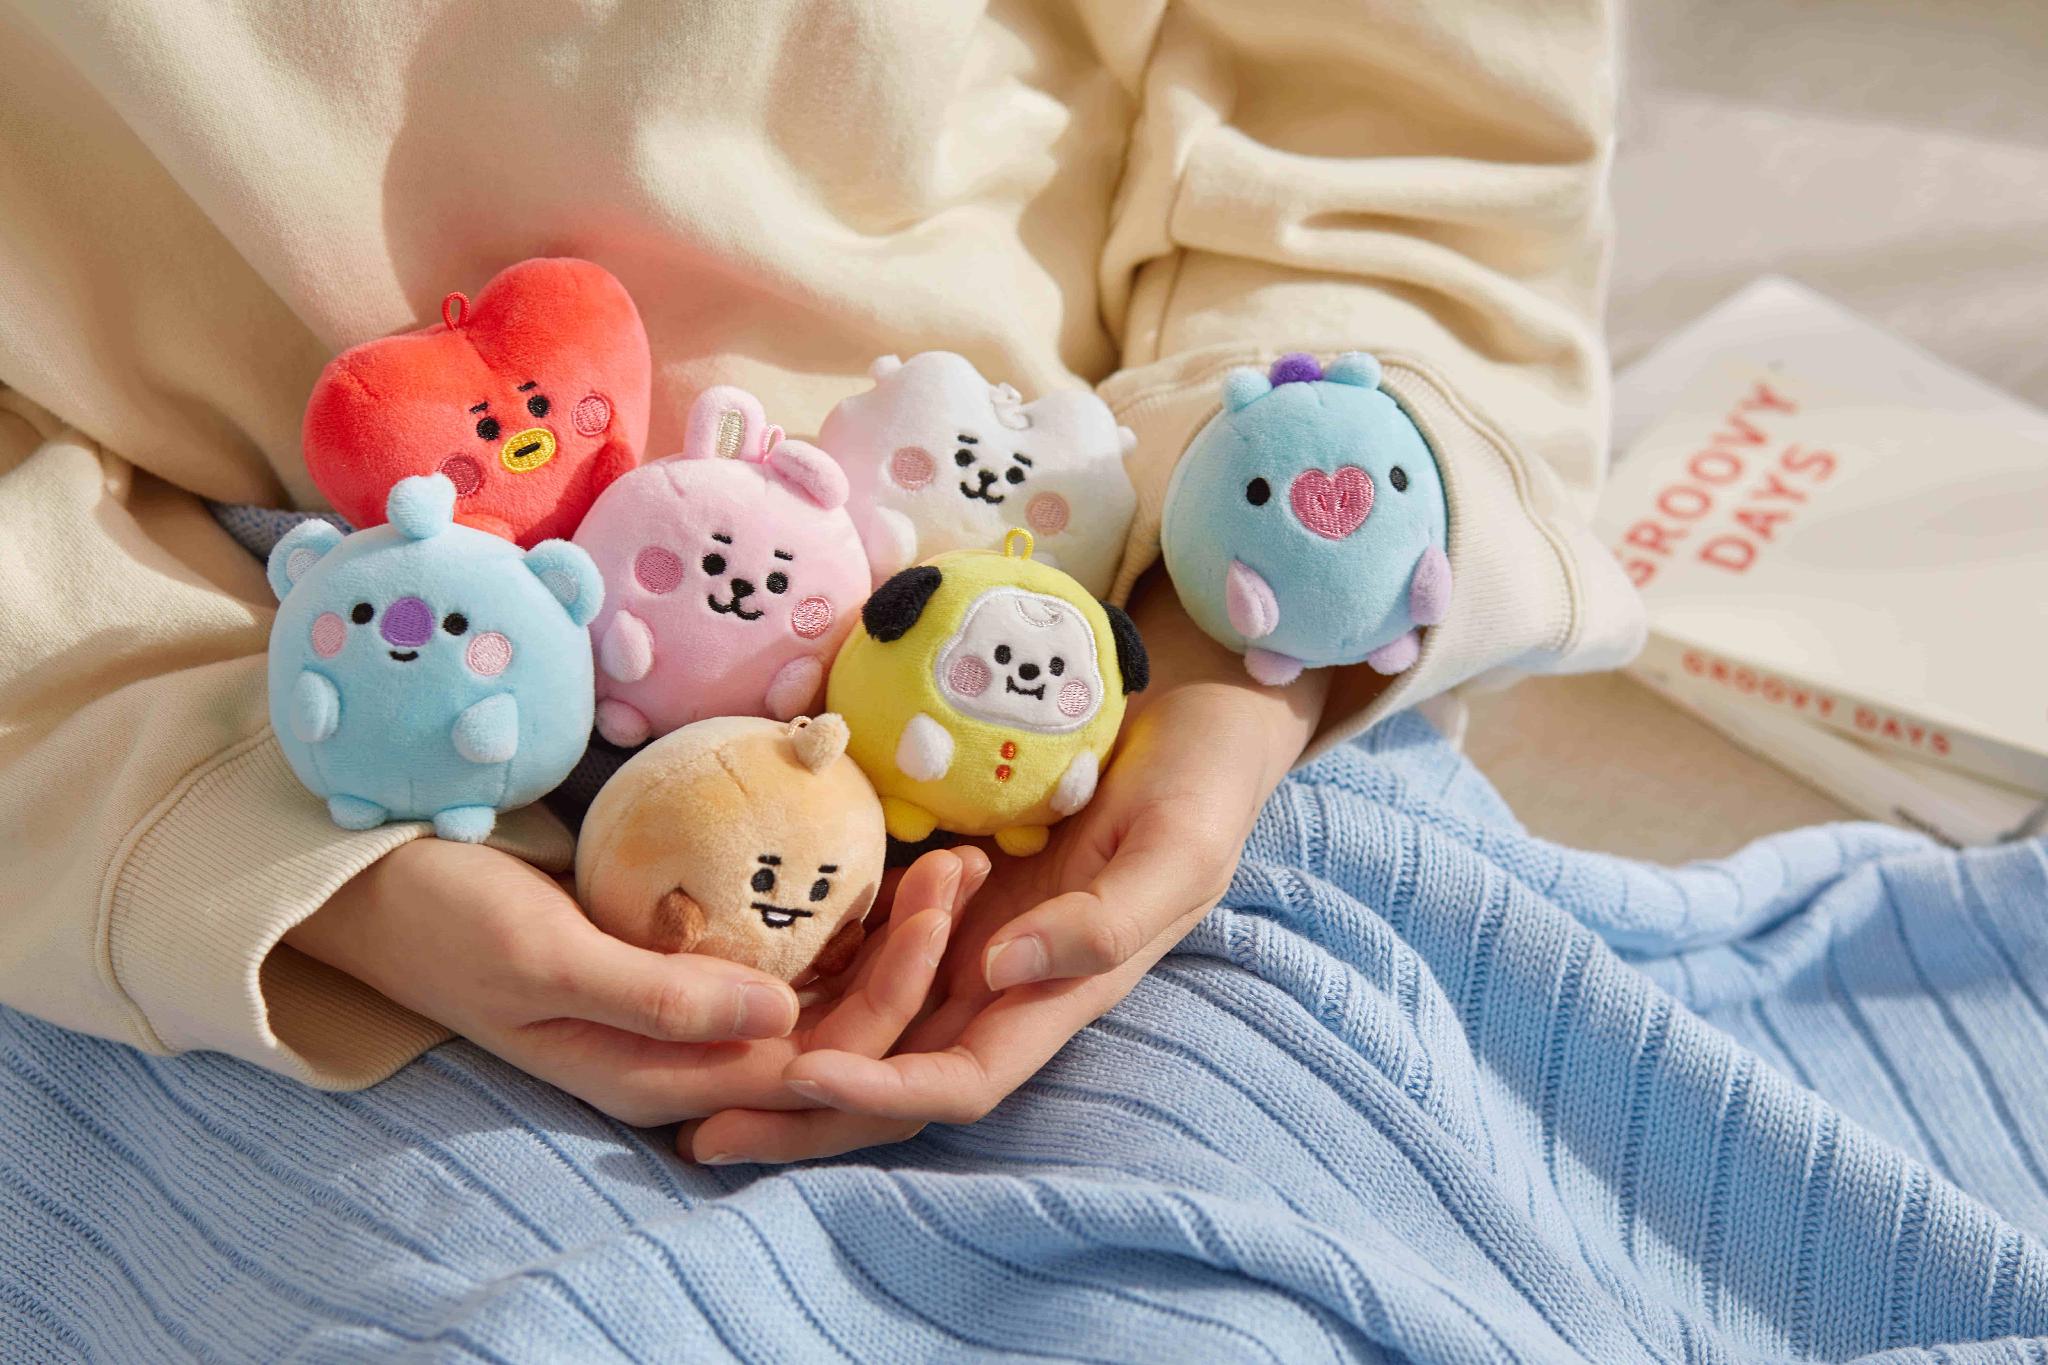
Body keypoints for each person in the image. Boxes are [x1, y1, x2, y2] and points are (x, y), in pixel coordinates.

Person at [0, 0, 1637, 1163]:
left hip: (1158, 661)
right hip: (221, 791)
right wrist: (282, 855)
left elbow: (1411, 131)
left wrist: (1230, 656)